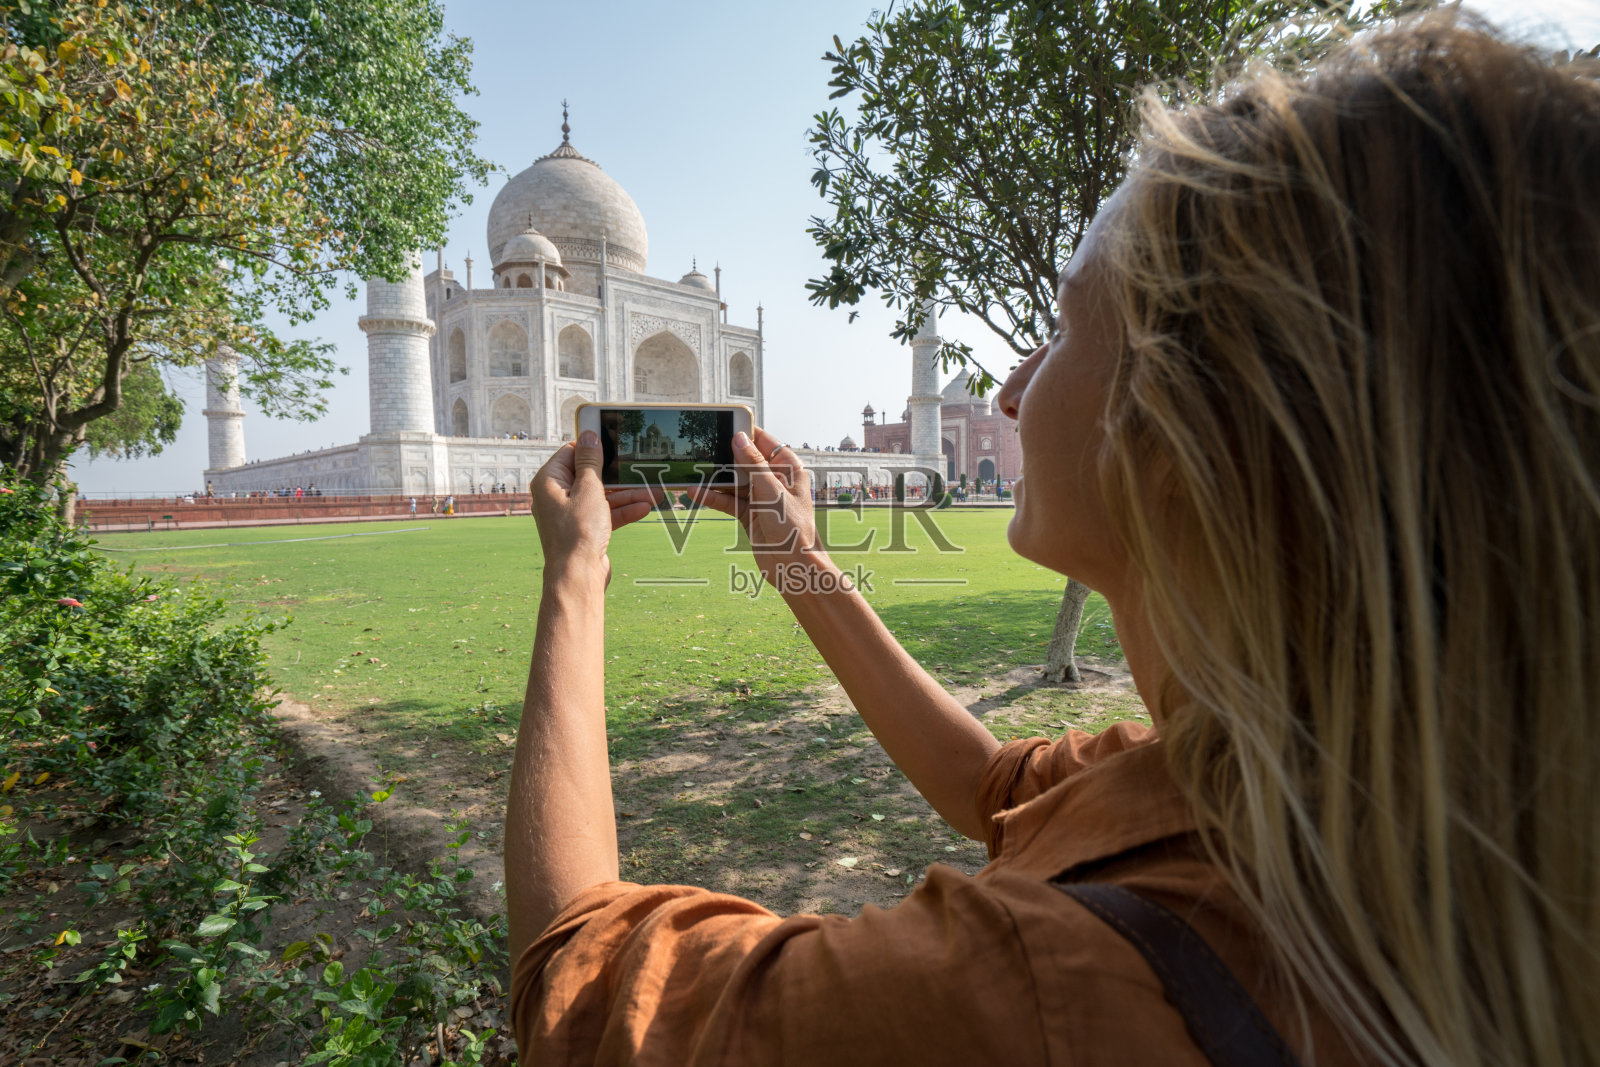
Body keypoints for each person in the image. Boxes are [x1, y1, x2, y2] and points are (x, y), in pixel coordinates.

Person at [507, 15, 1599, 1067]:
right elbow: (991, 783)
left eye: (1069, 326)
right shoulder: (1327, 781)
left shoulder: (1046, 981)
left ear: (1191, 424)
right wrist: (793, 552)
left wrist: (577, 575)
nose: (1015, 384)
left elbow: (586, 989)